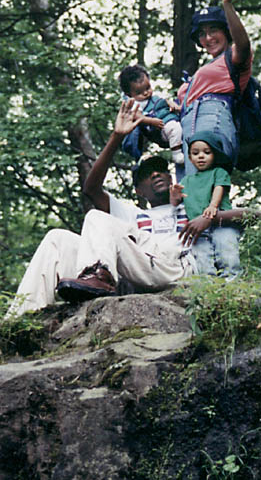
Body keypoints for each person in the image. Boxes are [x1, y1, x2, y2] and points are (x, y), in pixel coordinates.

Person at [6, 102, 244, 318]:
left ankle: (99, 277)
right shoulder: (131, 215)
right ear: (139, 191)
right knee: (57, 238)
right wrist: (117, 137)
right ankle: (20, 320)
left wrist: (208, 218)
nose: (155, 175)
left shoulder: (190, 202)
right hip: (133, 270)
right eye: (146, 175)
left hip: (174, 267)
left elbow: (248, 215)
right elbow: (91, 188)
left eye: (160, 170)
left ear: (171, 177)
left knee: (97, 218)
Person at [176, 0, 252, 181]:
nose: (208, 38)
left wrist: (227, 5)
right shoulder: (203, 70)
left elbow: (244, 44)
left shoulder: (233, 57)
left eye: (214, 30)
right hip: (188, 126)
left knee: (207, 189)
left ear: (226, 31)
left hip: (212, 117)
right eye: (202, 33)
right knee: (192, 196)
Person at [171, 132, 241, 277]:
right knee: (202, 258)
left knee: (227, 251)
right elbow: (175, 202)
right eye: (195, 153)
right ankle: (209, 287)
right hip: (198, 229)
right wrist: (174, 196)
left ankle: (232, 282)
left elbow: (219, 188)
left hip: (221, 223)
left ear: (214, 154)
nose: (201, 156)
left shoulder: (219, 172)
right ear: (189, 158)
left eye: (207, 152)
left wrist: (213, 206)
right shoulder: (186, 181)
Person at [119, 64, 184, 166]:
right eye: (139, 92)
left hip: (170, 118)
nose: (146, 93)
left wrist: (172, 104)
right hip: (160, 127)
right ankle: (176, 153)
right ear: (129, 94)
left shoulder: (154, 97)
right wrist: (151, 121)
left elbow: (165, 101)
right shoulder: (136, 104)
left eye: (148, 88)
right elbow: (137, 116)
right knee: (174, 128)